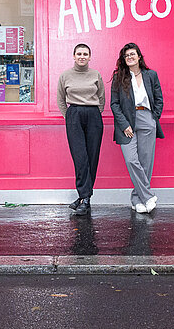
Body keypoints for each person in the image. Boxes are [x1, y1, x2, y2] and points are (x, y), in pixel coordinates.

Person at [110, 42, 164, 214]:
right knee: (132, 160)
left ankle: (136, 199)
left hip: (147, 118)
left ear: (139, 56)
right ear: (123, 60)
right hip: (127, 121)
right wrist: (124, 124)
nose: (130, 57)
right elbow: (114, 104)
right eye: (126, 56)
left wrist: (153, 118)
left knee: (146, 162)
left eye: (133, 54)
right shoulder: (119, 77)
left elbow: (159, 99)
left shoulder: (151, 75)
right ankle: (148, 196)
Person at [57, 43, 106, 216]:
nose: (82, 56)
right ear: (74, 55)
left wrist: (94, 113)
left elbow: (101, 97)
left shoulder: (95, 75)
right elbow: (61, 100)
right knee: (80, 157)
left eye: (85, 54)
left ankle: (84, 198)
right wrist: (69, 117)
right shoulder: (65, 75)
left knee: (92, 157)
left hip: (93, 115)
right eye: (79, 53)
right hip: (74, 114)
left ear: (90, 57)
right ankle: (85, 196)